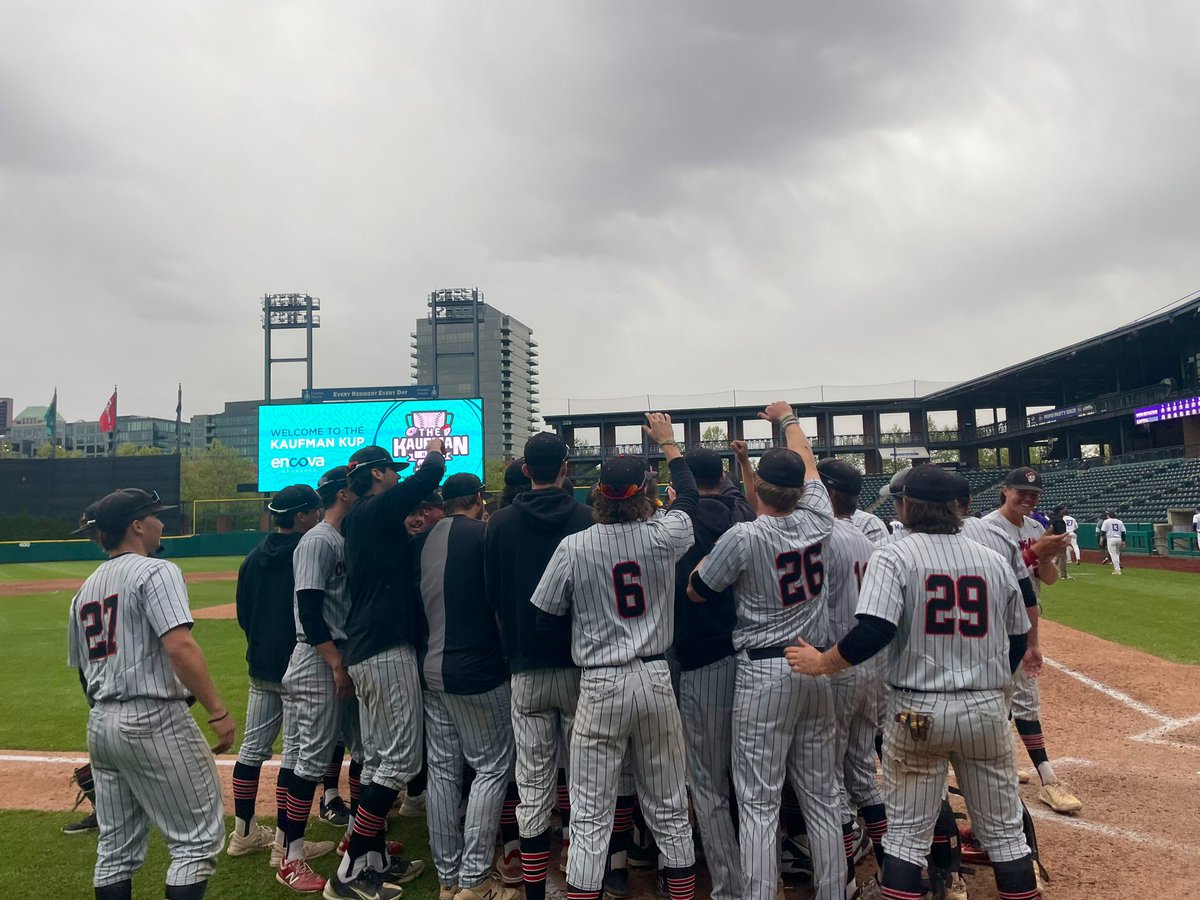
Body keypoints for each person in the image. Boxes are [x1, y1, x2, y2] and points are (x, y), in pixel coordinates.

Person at [784, 465, 1041, 900]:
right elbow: (1018, 638)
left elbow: (873, 631)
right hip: (985, 709)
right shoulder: (992, 559)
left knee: (905, 838)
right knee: (1006, 837)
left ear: (909, 506)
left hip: (917, 710)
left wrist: (821, 662)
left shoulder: (895, 554)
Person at [531, 412, 699, 900]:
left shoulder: (574, 545)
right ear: (646, 494)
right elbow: (687, 499)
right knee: (668, 806)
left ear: (597, 495)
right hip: (654, 678)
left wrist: (589, 622)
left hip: (600, 681)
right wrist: (669, 444)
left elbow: (543, 615)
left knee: (589, 814)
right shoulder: (664, 534)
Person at [688, 403, 849, 900]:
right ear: (801, 490)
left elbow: (699, 589)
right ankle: (834, 893)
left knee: (759, 803)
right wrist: (788, 420)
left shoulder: (745, 533)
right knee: (822, 798)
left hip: (764, 670)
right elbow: (811, 461)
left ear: (759, 486)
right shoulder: (820, 515)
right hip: (816, 664)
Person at [68, 488, 235, 900]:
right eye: (155, 517)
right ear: (136, 526)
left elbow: (83, 674)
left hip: (102, 724)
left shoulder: (83, 590)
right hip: (152, 719)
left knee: (115, 850)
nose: (162, 523)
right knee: (195, 842)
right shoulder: (156, 571)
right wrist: (217, 710)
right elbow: (179, 645)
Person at [333, 442, 446, 900]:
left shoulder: (365, 518)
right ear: (377, 474)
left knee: (380, 758)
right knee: (399, 760)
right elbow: (425, 479)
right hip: (383, 648)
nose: (397, 475)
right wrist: (435, 452)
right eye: (391, 470)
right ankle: (351, 868)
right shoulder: (372, 509)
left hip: (368, 648)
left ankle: (373, 858)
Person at [484, 432, 594, 900]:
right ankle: (574, 860)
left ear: (526, 470)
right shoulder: (587, 518)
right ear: (565, 468)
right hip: (577, 663)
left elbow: (492, 598)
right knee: (580, 775)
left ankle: (532, 889)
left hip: (524, 665)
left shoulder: (500, 522)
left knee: (532, 779)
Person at [277, 468, 395, 893]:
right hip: (318, 658)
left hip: (344, 657)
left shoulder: (344, 537)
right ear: (342, 494)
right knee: (310, 759)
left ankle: (363, 843)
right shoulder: (318, 540)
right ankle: (290, 857)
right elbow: (309, 609)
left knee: (365, 749)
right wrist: (334, 662)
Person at [414, 472, 517, 900]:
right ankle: (474, 880)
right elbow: (499, 603)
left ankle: (448, 878)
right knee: (491, 768)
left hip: (431, 669)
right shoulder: (485, 534)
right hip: (477, 669)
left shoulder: (419, 539)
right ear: (477, 498)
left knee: (442, 773)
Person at [671, 445, 756, 900]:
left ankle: (728, 885)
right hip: (747, 657)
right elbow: (747, 494)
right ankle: (763, 868)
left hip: (701, 656)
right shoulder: (742, 513)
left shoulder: (677, 523)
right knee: (748, 778)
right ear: (722, 475)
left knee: (706, 781)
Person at [229, 485, 328, 866]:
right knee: (294, 754)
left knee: (252, 749)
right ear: (302, 516)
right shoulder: (306, 553)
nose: (319, 515)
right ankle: (284, 845)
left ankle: (244, 832)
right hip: (296, 665)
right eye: (315, 510)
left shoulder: (252, 558)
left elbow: (242, 616)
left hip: (260, 664)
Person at [984, 468, 1081, 816]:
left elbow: (1049, 580)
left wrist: (1043, 556)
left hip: (1026, 619)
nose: (1028, 498)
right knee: (1017, 700)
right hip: (998, 625)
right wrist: (1032, 553)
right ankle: (1048, 780)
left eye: (1034, 494)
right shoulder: (988, 528)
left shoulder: (1036, 527)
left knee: (1013, 699)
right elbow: (993, 580)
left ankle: (1012, 766)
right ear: (1005, 490)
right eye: (1021, 491)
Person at [814, 459, 888, 866]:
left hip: (837, 662)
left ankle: (841, 872)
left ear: (828, 492)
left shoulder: (824, 537)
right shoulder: (863, 537)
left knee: (829, 776)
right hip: (869, 665)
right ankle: (889, 866)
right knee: (861, 772)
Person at [1099, 510, 1127, 575]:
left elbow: (1103, 532)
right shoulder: (1120, 522)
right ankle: (1117, 567)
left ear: (1108, 516)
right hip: (1118, 538)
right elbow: (1123, 532)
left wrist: (1101, 539)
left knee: (1113, 554)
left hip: (1111, 539)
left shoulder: (1106, 521)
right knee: (1117, 554)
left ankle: (1117, 569)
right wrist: (1123, 541)